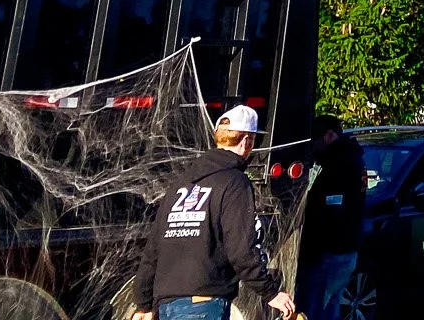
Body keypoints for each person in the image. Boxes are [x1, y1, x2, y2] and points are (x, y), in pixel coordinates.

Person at [132, 104, 295, 320]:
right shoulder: (234, 182)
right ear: (247, 141)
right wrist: (270, 292)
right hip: (203, 304)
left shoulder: (181, 184)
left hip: (166, 304)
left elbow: (154, 248)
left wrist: (143, 303)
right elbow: (241, 249)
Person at [294, 114, 365, 320]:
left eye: (316, 139)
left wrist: (311, 247)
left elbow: (328, 210)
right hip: (345, 247)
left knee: (313, 309)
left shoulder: (338, 163)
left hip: (330, 250)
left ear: (329, 136)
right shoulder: (351, 158)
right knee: (330, 305)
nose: (313, 146)